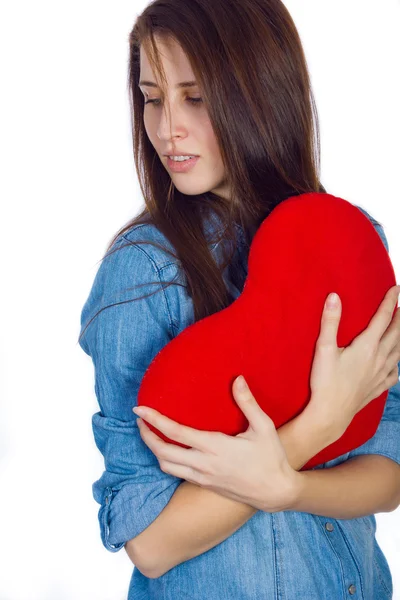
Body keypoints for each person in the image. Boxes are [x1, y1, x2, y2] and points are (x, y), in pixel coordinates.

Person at [78, 1, 400, 598]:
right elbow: (150, 543)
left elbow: (390, 468)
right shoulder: (144, 274)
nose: (167, 127)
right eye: (153, 97)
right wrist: (312, 431)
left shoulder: (353, 242)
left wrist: (292, 488)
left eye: (194, 97)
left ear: (263, 91)